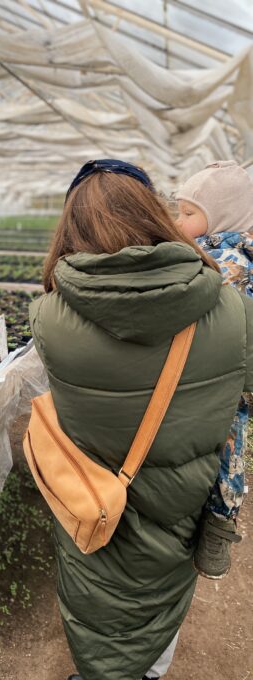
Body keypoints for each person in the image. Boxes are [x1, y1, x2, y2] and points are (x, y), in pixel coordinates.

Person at [29, 159, 253, 680]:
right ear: (156, 214)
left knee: (95, 598)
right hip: (182, 506)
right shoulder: (232, 309)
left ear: (69, 229)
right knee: (161, 594)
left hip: (94, 500)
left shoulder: (51, 318)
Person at [176, 160, 253, 580]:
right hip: (233, 377)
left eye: (188, 213)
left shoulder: (218, 262)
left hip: (216, 376)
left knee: (218, 443)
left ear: (221, 216)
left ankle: (216, 528)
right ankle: (219, 526)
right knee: (229, 441)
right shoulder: (234, 251)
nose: (178, 221)